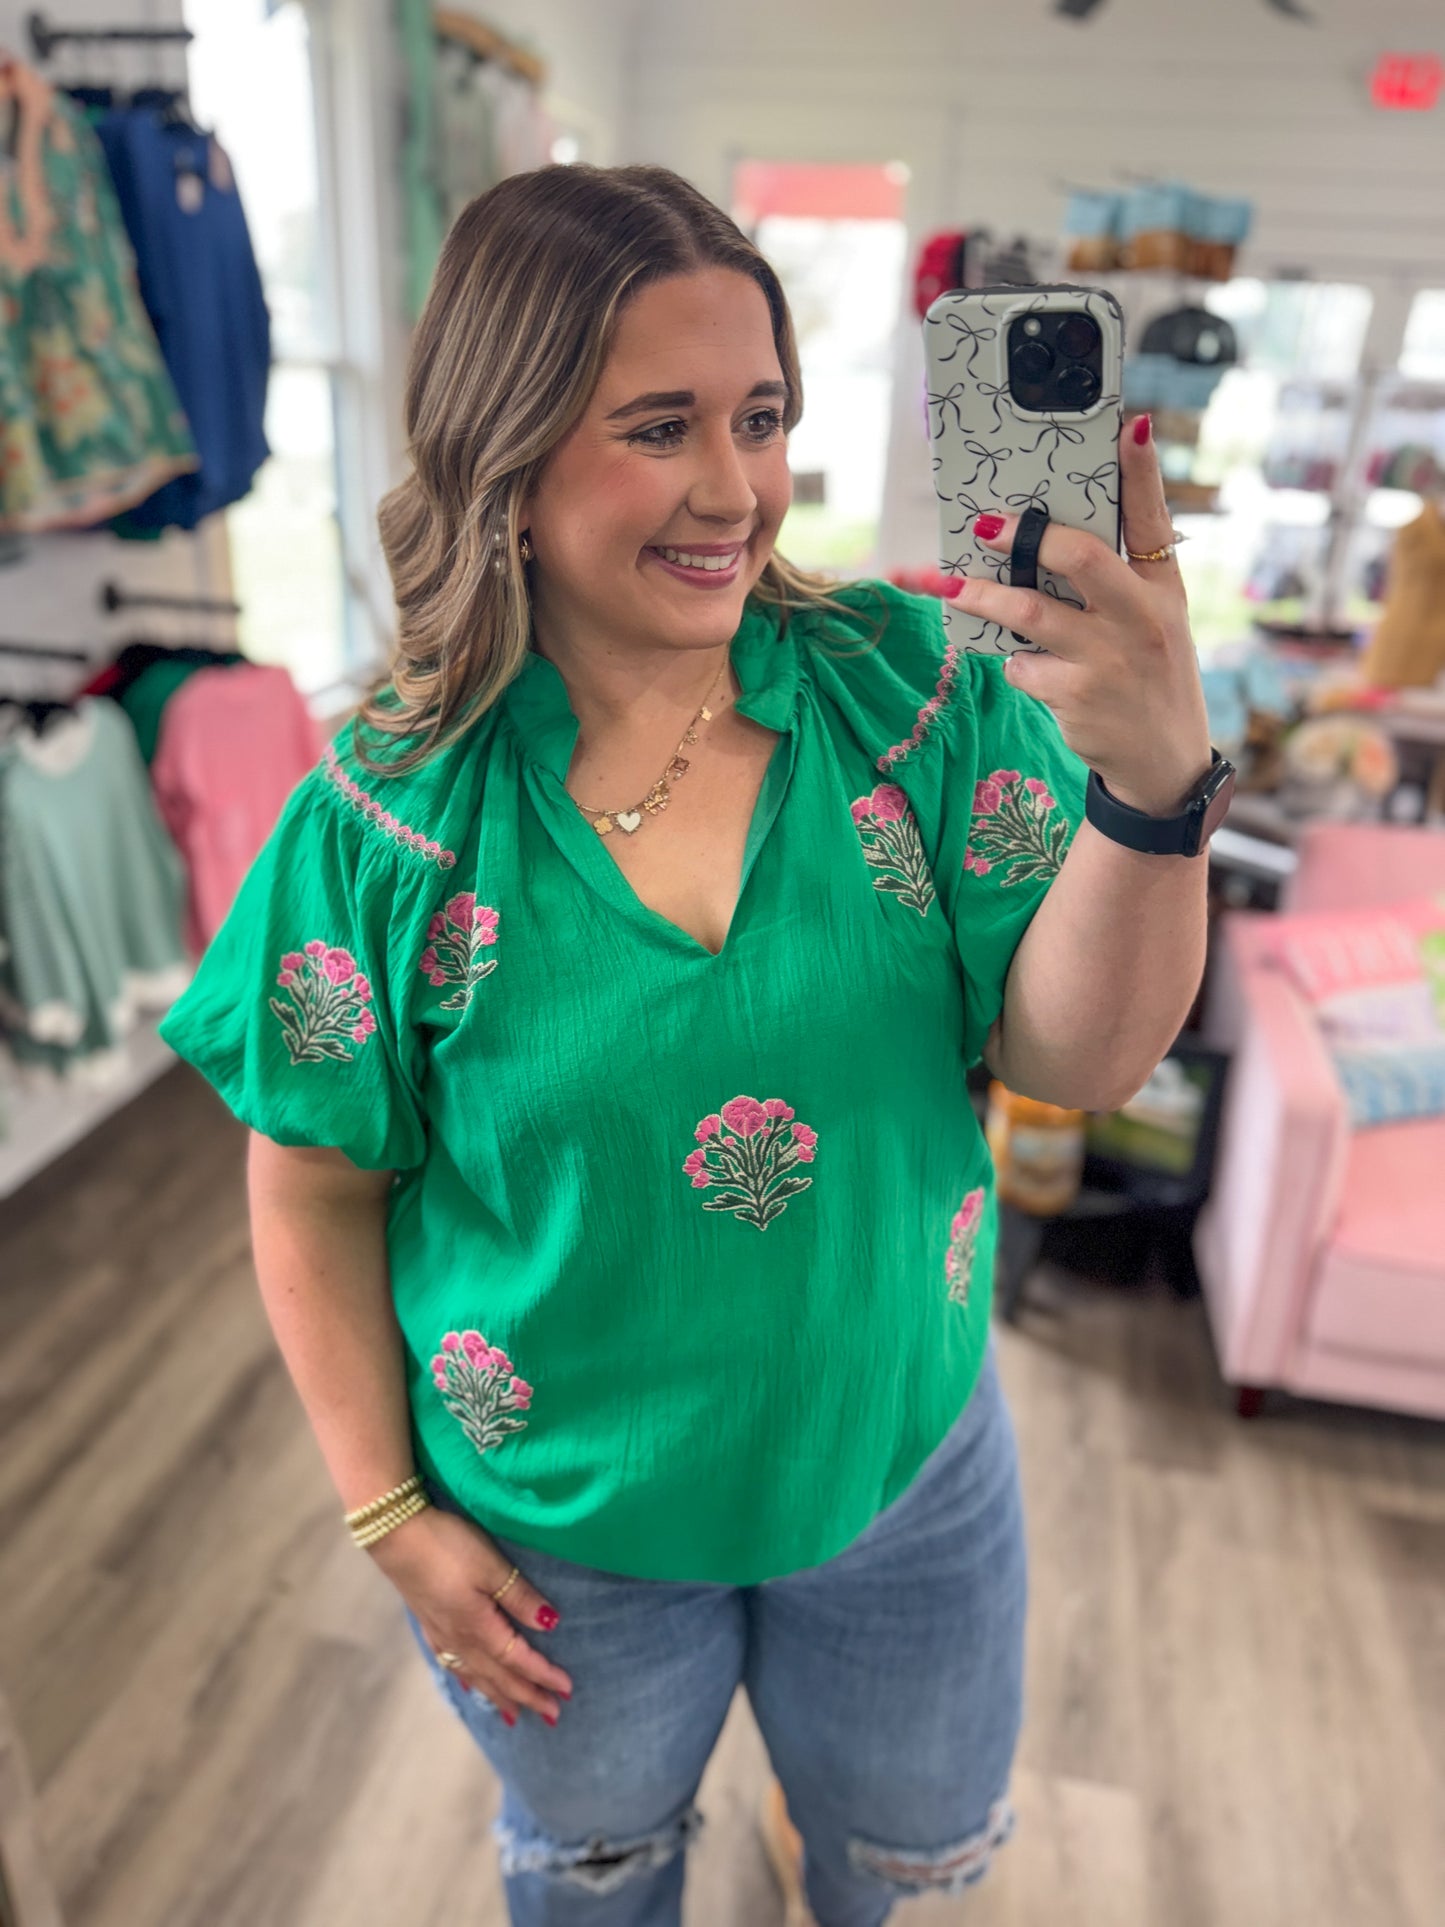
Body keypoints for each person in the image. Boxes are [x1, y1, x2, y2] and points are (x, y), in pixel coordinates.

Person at [159, 163, 1216, 1927]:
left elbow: (1077, 1060)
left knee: (894, 1868)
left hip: (898, 1469)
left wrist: (1152, 786)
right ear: (503, 452)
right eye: (659, 427)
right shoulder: (383, 824)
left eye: (760, 417)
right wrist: (382, 1513)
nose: (733, 489)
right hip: (553, 1533)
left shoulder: (911, 693)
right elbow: (316, 1193)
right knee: (597, 1870)